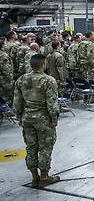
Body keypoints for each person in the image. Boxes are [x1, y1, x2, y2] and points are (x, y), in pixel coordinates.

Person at [14, 54, 60, 188]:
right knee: (45, 148)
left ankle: (34, 177)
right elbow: (52, 104)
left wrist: (19, 117)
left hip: (27, 118)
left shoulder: (21, 80)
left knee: (31, 147)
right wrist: (54, 119)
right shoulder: (48, 80)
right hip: (43, 119)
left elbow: (17, 102)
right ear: (44, 64)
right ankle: (44, 176)